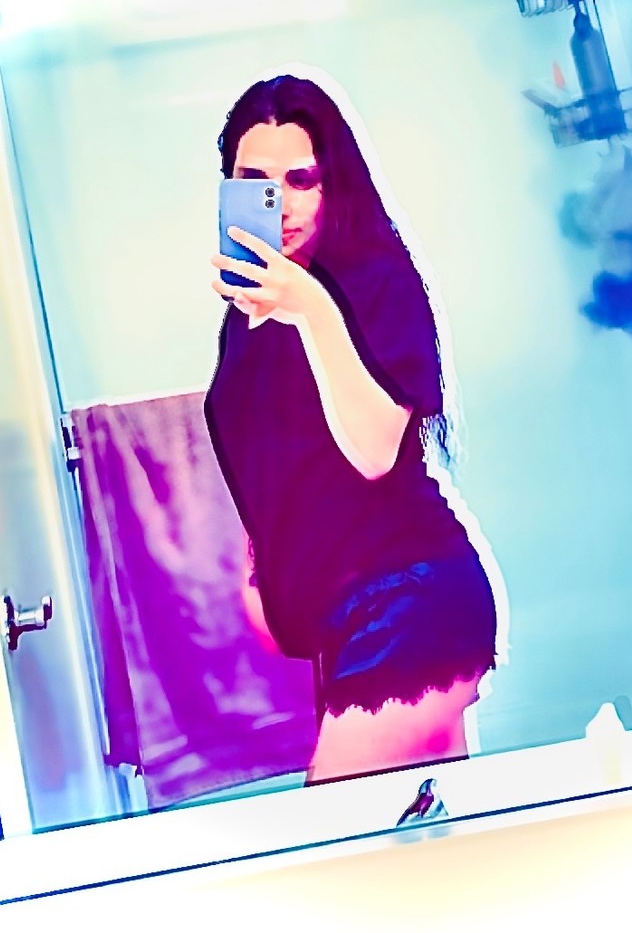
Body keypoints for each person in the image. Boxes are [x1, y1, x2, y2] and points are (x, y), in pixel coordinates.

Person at [204, 74, 499, 783]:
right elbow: (268, 463)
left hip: (410, 605)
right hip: (340, 625)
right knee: (435, 835)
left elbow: (371, 452)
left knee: (336, 828)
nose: (281, 203)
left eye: (301, 179)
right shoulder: (246, 317)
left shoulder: (378, 285)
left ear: (333, 182)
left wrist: (311, 306)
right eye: (256, 182)